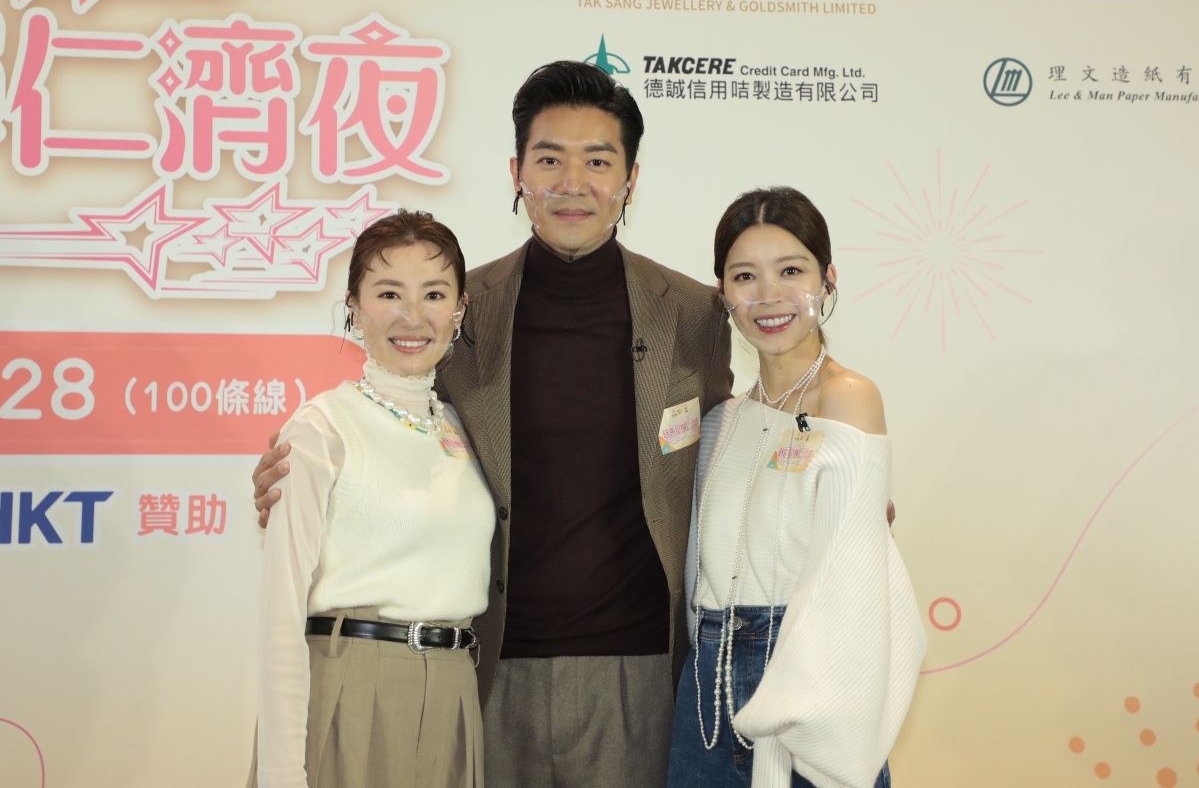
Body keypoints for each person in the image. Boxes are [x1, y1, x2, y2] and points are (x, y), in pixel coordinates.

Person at [254, 61, 733, 787]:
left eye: (597, 161)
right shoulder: (459, 308)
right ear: (516, 172)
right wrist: (296, 484)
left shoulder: (694, 314)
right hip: (485, 667)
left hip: (636, 668)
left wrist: (820, 488)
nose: (572, 182)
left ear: (631, 178)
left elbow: (725, 449)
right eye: (549, 159)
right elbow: (393, 426)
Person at [666, 187, 926, 788]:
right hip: (704, 688)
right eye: (745, 276)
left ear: (827, 279)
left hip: (806, 679)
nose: (768, 295)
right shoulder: (720, 420)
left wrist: (790, 709)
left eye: (791, 270)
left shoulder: (847, 397)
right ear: (723, 294)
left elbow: (850, 576)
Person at [248, 211, 496, 788]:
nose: (413, 316)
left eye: (434, 294)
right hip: (351, 687)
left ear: (459, 310)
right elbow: (281, 615)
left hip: (454, 692)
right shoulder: (320, 427)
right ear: (354, 309)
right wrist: (281, 774)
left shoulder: (462, 426)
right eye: (389, 294)